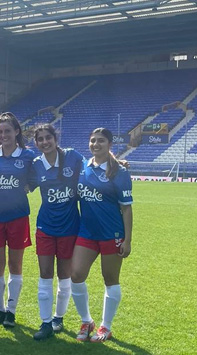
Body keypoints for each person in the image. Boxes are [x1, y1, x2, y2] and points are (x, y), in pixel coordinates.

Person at [71, 127, 133, 343]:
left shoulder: (120, 172)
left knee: (110, 279)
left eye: (100, 141)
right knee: (76, 275)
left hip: (111, 233)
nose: (95, 144)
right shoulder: (83, 168)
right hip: (87, 232)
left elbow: (126, 208)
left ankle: (105, 327)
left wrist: (127, 239)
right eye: (92, 141)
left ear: (109, 145)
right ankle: (86, 321)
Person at [30, 123, 85, 340]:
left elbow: (92, 166)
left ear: (56, 138)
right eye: (40, 139)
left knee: (65, 275)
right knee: (45, 274)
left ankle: (58, 317)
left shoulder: (72, 156)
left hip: (70, 227)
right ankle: (45, 324)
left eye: (48, 137)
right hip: (45, 227)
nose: (45, 142)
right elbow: (24, 185)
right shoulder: (35, 164)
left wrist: (117, 162)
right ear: (36, 143)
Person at [0, 113, 36, 329]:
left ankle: (11, 311)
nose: (3, 135)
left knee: (15, 264)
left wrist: (30, 187)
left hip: (17, 216)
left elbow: (40, 174)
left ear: (16, 132)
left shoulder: (28, 156)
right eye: (0, 131)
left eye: (7, 131)